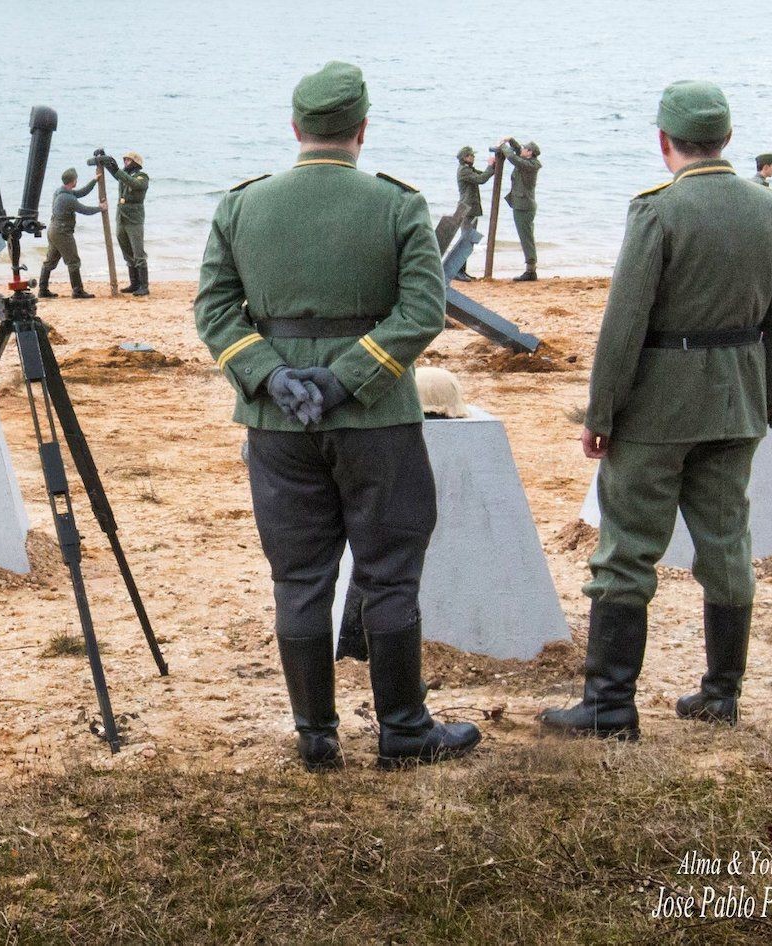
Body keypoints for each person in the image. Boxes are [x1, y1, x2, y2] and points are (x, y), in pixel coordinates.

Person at [195, 60, 481, 771]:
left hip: (278, 422)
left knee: (298, 579)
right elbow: (422, 312)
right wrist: (348, 380)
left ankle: (316, 738)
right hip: (376, 419)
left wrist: (272, 376)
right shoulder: (398, 205)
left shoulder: (242, 205)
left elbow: (213, 311)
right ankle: (403, 733)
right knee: (387, 574)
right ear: (361, 129)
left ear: (296, 129)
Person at [540, 81, 772, 740]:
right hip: (738, 400)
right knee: (727, 545)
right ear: (728, 139)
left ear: (664, 142)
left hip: (658, 409)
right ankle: (721, 695)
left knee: (627, 549)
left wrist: (601, 411)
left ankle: (609, 706)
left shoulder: (658, 212)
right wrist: (766, 402)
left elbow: (623, 322)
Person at [40, 168, 106, 299]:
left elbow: (81, 193)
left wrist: (94, 180)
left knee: (50, 261)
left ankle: (42, 290)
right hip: (62, 232)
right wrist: (101, 208)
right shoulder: (67, 198)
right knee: (73, 261)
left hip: (54, 230)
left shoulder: (61, 192)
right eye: (76, 179)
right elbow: (84, 210)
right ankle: (77, 291)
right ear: (73, 180)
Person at [101, 150, 150, 295]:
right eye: (124, 161)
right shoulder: (125, 176)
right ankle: (134, 284)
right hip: (121, 218)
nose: (125, 163)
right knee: (127, 252)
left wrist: (116, 169)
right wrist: (107, 160)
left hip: (134, 220)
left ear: (135, 163)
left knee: (138, 252)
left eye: (128, 161)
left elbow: (134, 184)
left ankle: (144, 286)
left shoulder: (142, 177)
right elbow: (117, 173)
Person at [498, 138, 542, 281]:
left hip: (524, 206)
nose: (522, 150)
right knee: (526, 236)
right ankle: (531, 269)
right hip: (522, 205)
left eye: (525, 149)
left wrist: (503, 146)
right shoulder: (528, 161)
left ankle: (530, 270)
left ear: (530, 153)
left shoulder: (529, 165)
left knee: (526, 238)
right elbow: (517, 152)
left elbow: (513, 157)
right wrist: (511, 140)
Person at [452, 146, 497, 281]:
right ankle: (458, 271)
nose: (473, 157)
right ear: (465, 157)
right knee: (465, 240)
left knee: (469, 241)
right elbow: (481, 179)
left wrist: (493, 166)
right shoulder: (464, 171)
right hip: (466, 210)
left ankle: (462, 270)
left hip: (471, 209)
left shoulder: (468, 169)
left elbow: (483, 175)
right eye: (471, 155)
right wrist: (490, 166)